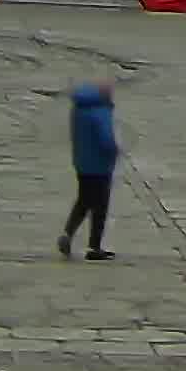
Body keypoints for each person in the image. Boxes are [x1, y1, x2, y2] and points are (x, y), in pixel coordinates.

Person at [61, 80, 120, 260]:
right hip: (100, 166)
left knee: (83, 201)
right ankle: (94, 247)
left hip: (82, 163)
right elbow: (106, 139)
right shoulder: (101, 112)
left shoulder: (79, 108)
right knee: (100, 206)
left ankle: (68, 233)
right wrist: (114, 151)